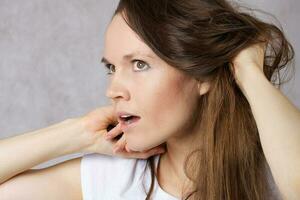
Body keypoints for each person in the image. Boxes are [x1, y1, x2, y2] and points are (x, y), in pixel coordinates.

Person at [0, 0, 299, 199]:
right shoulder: (113, 179)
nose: (113, 89)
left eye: (139, 64)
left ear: (202, 76)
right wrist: (76, 133)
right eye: (111, 68)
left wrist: (248, 72)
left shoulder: (274, 166)